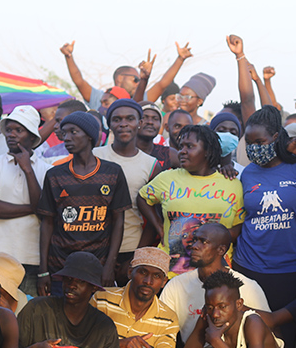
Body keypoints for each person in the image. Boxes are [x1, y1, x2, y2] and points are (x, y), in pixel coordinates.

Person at [234, 106, 296, 348]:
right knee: (247, 338)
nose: (253, 148)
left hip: (287, 271)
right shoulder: (247, 173)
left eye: (259, 142)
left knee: (284, 341)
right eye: (249, 142)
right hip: (247, 267)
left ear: (276, 137)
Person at [37, 110, 130, 293]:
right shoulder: (54, 175)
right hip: (60, 268)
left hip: (98, 267)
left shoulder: (112, 172)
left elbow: (118, 221)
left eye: (73, 132)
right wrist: (43, 270)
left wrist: (110, 265)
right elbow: (46, 223)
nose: (67, 138)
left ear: (89, 136)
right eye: (64, 133)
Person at [138, 124, 244, 275]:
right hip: (169, 273)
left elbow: (239, 226)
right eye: (181, 147)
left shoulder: (232, 184)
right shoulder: (168, 178)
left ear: (207, 151)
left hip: (215, 275)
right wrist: (158, 225)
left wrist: (216, 236)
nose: (182, 151)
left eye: (190, 146)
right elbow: (142, 198)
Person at [0, 105, 52, 296]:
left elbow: (45, 213)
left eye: (18, 130)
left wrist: (27, 169)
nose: (11, 134)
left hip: (33, 260)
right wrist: (33, 208)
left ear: (32, 136)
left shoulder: (46, 169)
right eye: (9, 130)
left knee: (29, 320)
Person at [159, 222, 270, 341]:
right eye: (195, 240)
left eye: (203, 242)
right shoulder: (176, 285)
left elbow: (270, 329)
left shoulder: (248, 287)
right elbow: (160, 328)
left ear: (221, 250)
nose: (194, 246)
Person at [93, 100, 163, 282]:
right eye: (117, 119)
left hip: (130, 248)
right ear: (109, 124)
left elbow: (152, 216)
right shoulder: (94, 155)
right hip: (93, 246)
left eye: (130, 119)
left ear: (139, 123)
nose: (123, 124)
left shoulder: (151, 165)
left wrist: (136, 257)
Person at [95, 246, 186, 348]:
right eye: (143, 272)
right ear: (130, 272)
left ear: (163, 282)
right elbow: (84, 343)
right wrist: (119, 344)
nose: (148, 281)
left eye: (156, 276)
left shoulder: (168, 318)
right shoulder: (103, 299)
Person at [177, 270, 286, 348]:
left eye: (222, 307)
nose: (215, 314)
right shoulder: (208, 318)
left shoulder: (253, 323)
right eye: (210, 307)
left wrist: (217, 342)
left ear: (239, 304)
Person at [18, 251, 120, 348]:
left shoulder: (105, 327)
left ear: (94, 287)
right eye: (68, 279)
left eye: (80, 281)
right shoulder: (37, 308)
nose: (71, 285)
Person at [60, 41, 137, 111]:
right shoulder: (101, 96)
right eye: (136, 79)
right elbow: (79, 81)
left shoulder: (138, 101)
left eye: (106, 104)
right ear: (120, 78)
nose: (102, 107)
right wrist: (68, 56)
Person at [135, 101, 172, 166]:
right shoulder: (122, 152)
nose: (150, 122)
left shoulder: (169, 154)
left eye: (155, 119)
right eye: (144, 118)